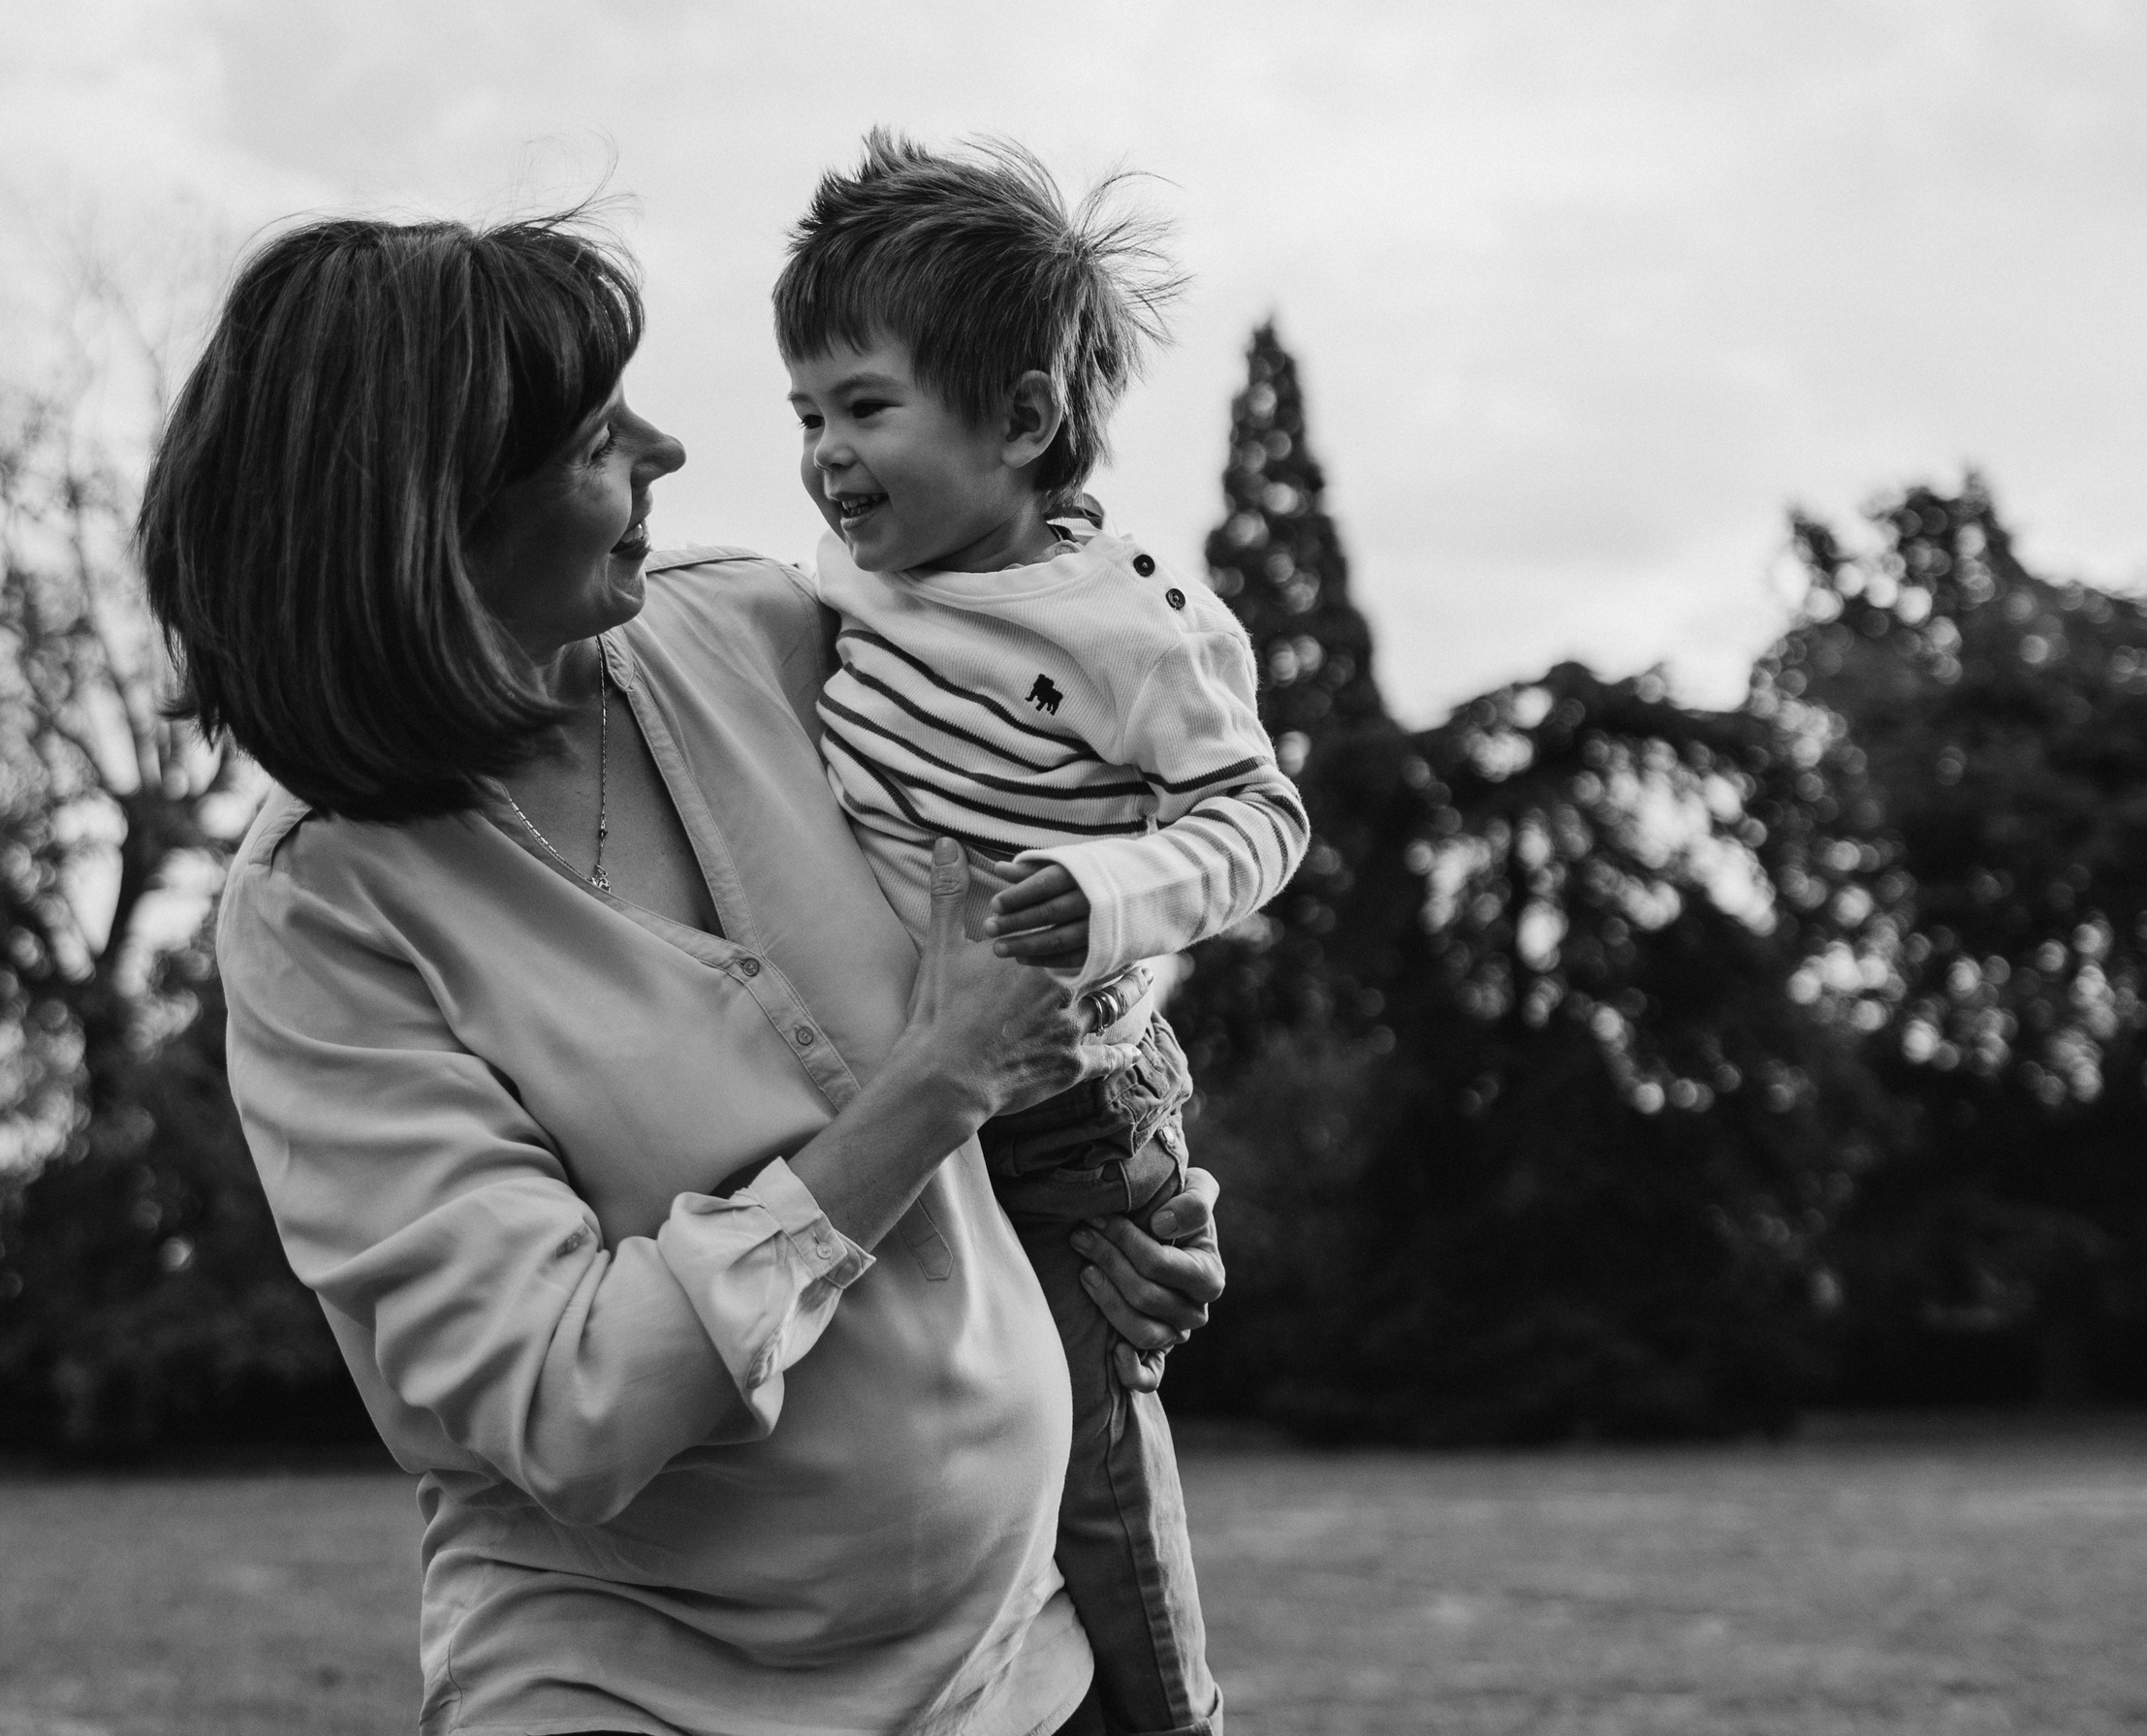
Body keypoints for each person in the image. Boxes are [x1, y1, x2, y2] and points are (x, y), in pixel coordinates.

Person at [136, 213, 1228, 1736]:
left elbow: (1050, 871)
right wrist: (938, 1085)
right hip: (637, 1697)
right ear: (432, 519)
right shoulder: (324, 914)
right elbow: (564, 1402)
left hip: (1017, 1672)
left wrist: (1126, 1176)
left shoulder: (766, 629)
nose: (665, 449)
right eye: (597, 435)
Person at [775, 133, 1309, 1736]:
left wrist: (1104, 896)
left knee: (1083, 1457)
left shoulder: (1137, 623)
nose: (824, 457)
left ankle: (1174, 1719)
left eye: (866, 407)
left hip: (1074, 1110)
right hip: (922, 1101)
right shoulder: (836, 588)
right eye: (805, 414)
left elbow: (1262, 819)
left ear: (1019, 418)